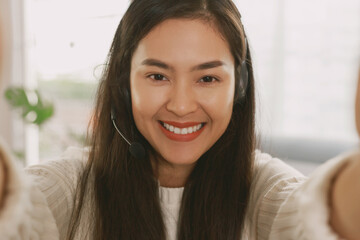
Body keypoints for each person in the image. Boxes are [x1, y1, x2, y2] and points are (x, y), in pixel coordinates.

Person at [0, 0, 360, 239]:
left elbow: (314, 216)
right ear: (123, 83)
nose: (182, 106)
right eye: (158, 76)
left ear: (239, 87)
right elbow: (21, 209)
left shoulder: (265, 191)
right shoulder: (69, 187)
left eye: (208, 78)